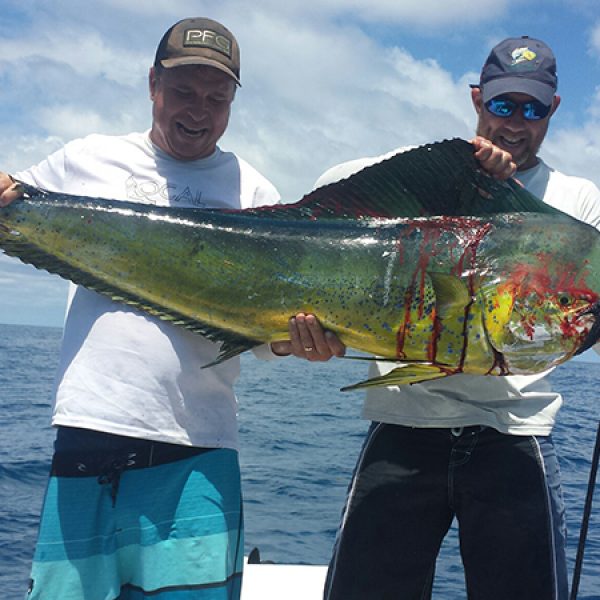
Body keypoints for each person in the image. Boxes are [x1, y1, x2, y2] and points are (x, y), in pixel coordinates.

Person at [290, 37, 600, 600]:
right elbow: (334, 189)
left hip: (513, 435)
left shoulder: (579, 205)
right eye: (503, 106)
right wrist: (457, 165)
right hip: (403, 425)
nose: (515, 123)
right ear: (478, 100)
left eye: (532, 109)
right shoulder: (434, 184)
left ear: (552, 110)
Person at [0, 17, 281, 600]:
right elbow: (13, 209)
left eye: (216, 97)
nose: (198, 110)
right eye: (183, 91)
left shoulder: (256, 195)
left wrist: (305, 340)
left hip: (200, 449)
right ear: (153, 84)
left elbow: (271, 337)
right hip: (90, 429)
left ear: (232, 102)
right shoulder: (87, 159)